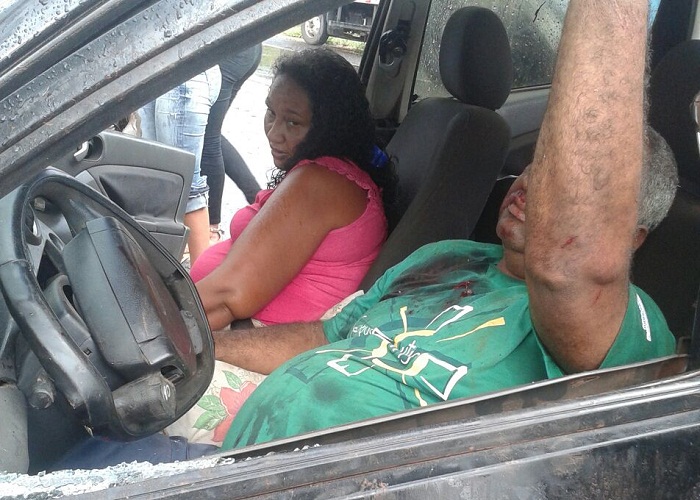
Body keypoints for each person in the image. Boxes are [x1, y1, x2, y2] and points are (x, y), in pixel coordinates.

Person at [210, 0, 679, 449]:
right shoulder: (447, 255)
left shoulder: (620, 325)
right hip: (239, 451)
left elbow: (567, 266)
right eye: (540, 165)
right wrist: (205, 348)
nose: (532, 185)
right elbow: (324, 336)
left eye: (565, 190)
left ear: (631, 237)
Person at [190, 48, 397, 330]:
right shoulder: (335, 174)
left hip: (246, 337)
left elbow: (228, 297)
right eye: (271, 113)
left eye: (293, 122)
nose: (273, 133)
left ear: (329, 125)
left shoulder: (322, 184)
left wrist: (157, 324)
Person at [139, 66, 222, 264]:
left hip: (183, 72)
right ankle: (163, 265)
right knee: (157, 178)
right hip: (154, 66)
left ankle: (201, 278)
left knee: (185, 184)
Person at [200, 44, 264, 243]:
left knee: (207, 137)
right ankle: (259, 199)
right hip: (248, 49)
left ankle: (211, 229)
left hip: (229, 53)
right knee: (210, 133)